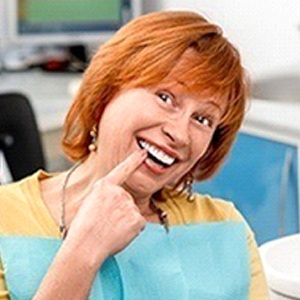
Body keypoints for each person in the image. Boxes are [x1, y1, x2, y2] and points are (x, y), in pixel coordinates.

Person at [0, 10, 269, 299]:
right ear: (105, 94)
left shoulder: (227, 228)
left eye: (203, 120)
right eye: (165, 98)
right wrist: (83, 251)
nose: (180, 134)